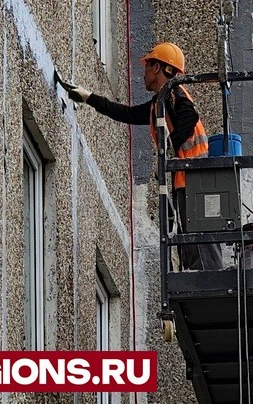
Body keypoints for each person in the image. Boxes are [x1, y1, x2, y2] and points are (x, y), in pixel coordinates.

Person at [65, 42, 223, 270]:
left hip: (196, 180)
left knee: (200, 241)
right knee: (191, 239)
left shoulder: (174, 94)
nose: (144, 74)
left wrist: (166, 154)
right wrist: (89, 98)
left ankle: (209, 281)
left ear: (157, 68)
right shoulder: (159, 102)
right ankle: (201, 277)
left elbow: (189, 116)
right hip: (188, 179)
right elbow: (126, 113)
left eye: (147, 67)